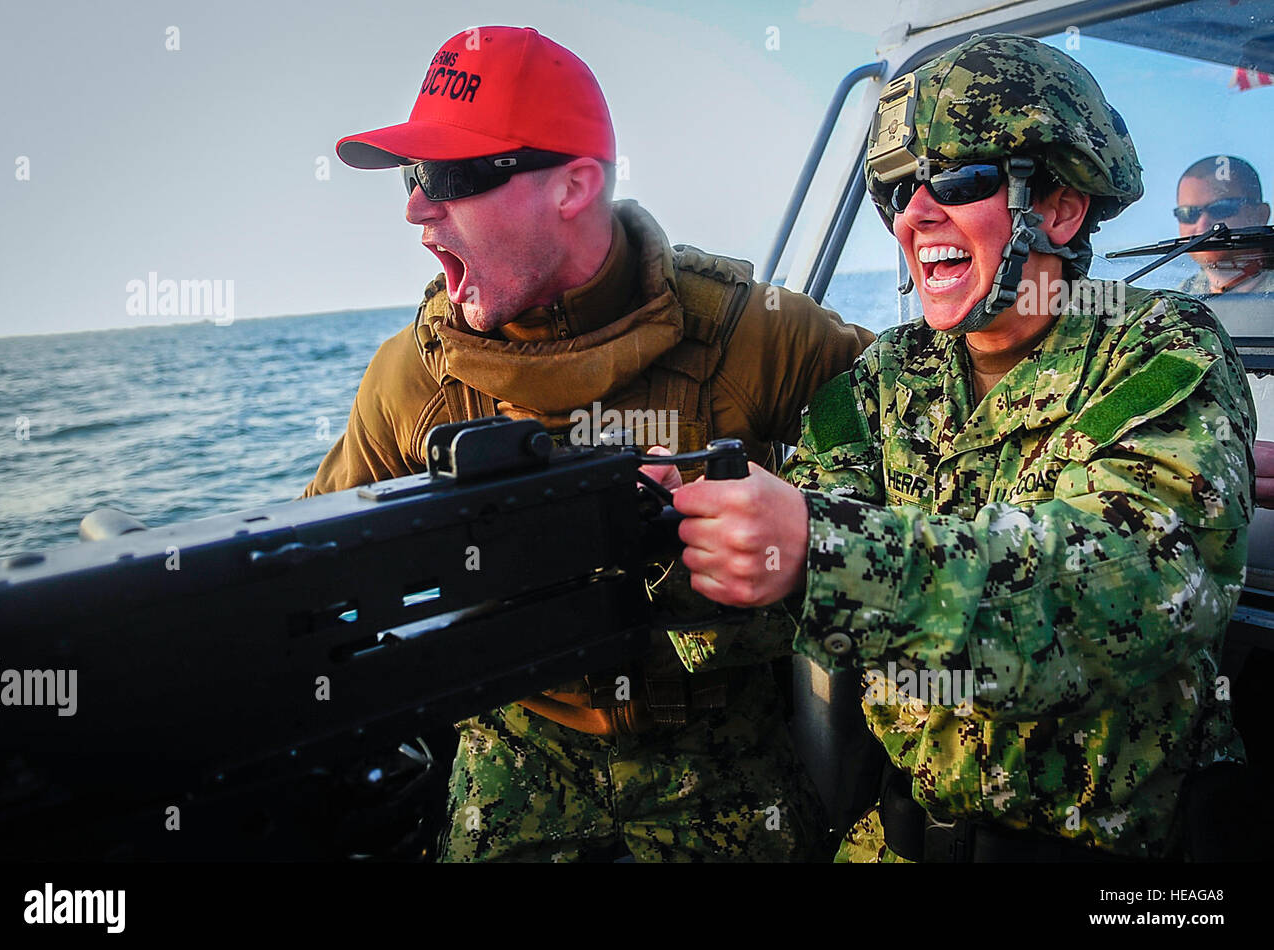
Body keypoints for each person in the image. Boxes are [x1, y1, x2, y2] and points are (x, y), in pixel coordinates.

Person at [663, 33, 1256, 861]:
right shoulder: (884, 378)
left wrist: (817, 550)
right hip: (901, 838)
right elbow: (786, 597)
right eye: (900, 189)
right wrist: (682, 540)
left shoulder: (1161, 349)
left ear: (1060, 207)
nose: (915, 213)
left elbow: (1136, 586)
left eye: (963, 178)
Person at [306, 25, 875, 861]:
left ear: (574, 185)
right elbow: (318, 587)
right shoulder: (411, 379)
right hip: (516, 760)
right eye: (415, 176)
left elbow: (925, 481)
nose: (417, 207)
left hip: (731, 763)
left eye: (451, 176)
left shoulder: (762, 336)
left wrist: (781, 523)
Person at [1175, 155, 1274, 296]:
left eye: (1221, 209)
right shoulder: (1176, 300)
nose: (1202, 224)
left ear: (1260, 215)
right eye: (1189, 213)